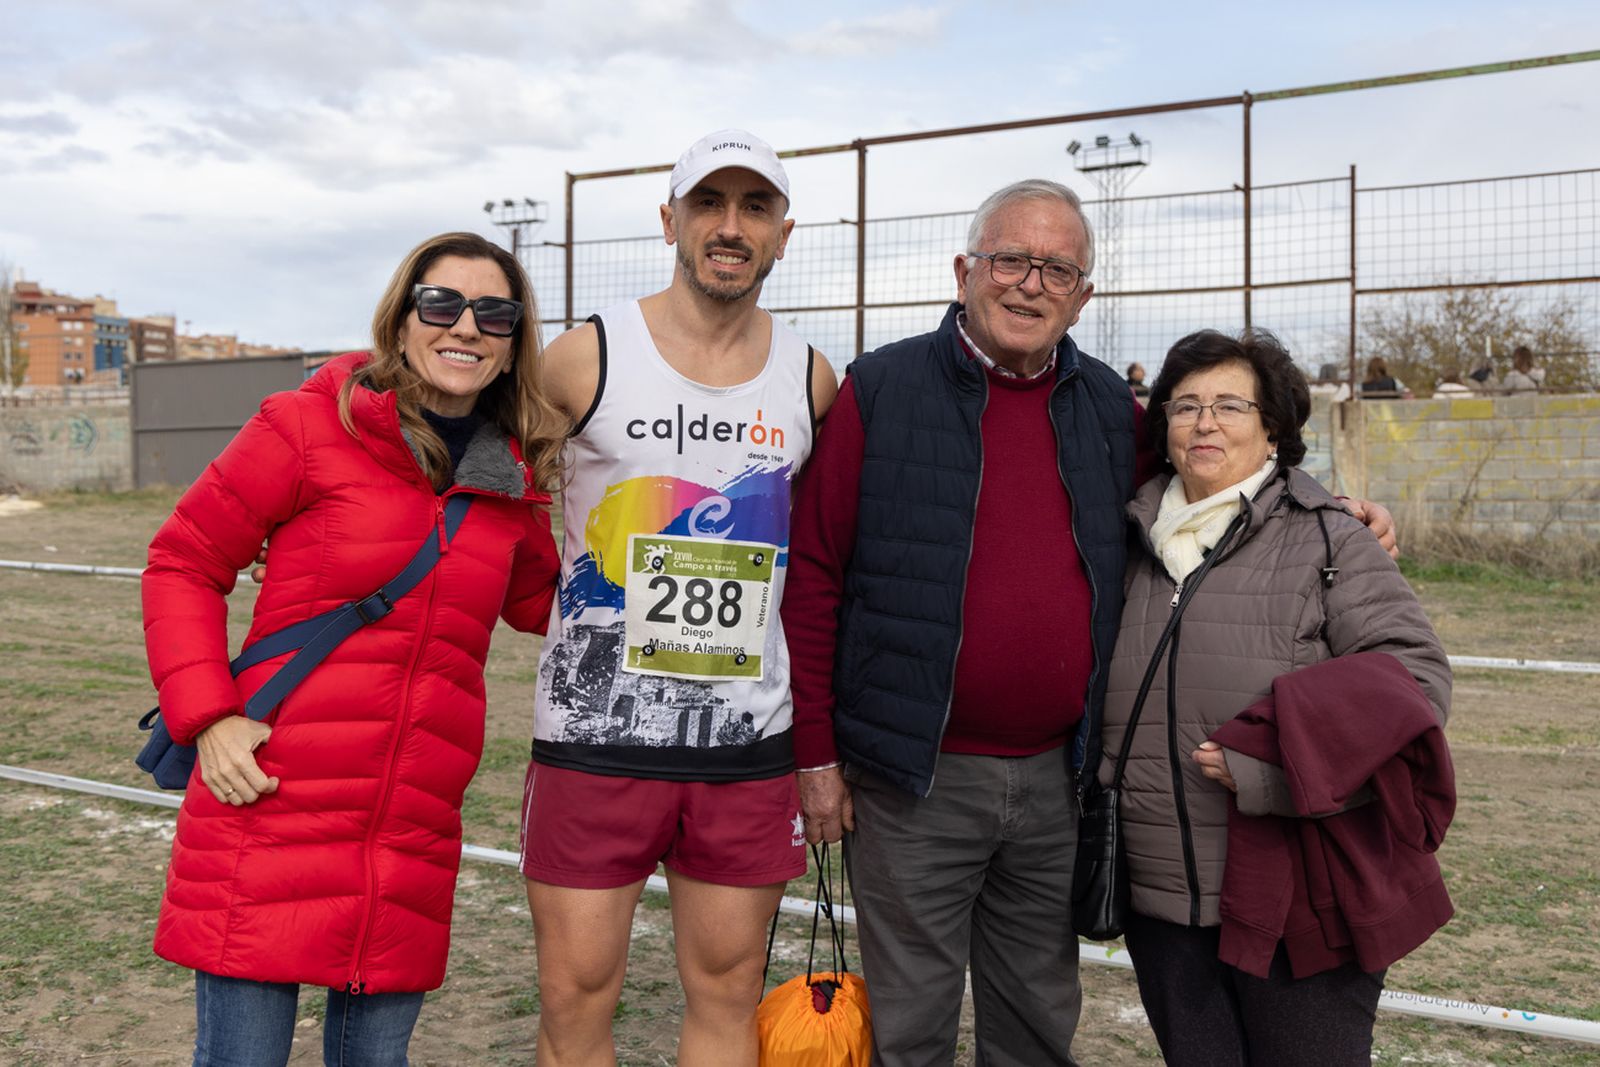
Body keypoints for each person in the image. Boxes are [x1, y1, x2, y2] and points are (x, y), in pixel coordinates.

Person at [782, 179, 1400, 1065]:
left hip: (1058, 780)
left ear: (1083, 295)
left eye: (1057, 268)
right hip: (912, 779)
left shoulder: (1113, 409)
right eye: (1010, 260)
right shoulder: (879, 390)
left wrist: (1329, 509)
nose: (1030, 284)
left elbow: (1219, 475)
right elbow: (813, 578)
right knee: (908, 1025)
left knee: (1036, 1016)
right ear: (965, 270)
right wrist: (815, 759)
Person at [142, 232, 565, 1065]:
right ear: (403, 317)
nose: (466, 326)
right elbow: (183, 560)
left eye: (495, 312)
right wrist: (210, 717)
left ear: (515, 341)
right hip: (271, 801)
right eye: (442, 303)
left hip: (405, 831)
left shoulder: (508, 483)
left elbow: (550, 605)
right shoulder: (305, 425)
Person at [523, 129, 838, 1066]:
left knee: (728, 992)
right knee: (576, 996)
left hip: (742, 747)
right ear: (670, 220)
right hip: (595, 739)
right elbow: (474, 473)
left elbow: (818, 566)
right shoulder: (583, 358)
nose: (729, 227)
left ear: (785, 232)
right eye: (708, 204)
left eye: (753, 208)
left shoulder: (812, 378)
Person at [1103, 328, 1453, 1066]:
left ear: (1272, 429)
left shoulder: (1330, 540)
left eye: (1231, 404)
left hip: (1297, 899)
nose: (1204, 422)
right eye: (1185, 405)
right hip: (1163, 904)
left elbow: (1413, 679)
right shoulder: (1126, 540)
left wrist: (1275, 767)